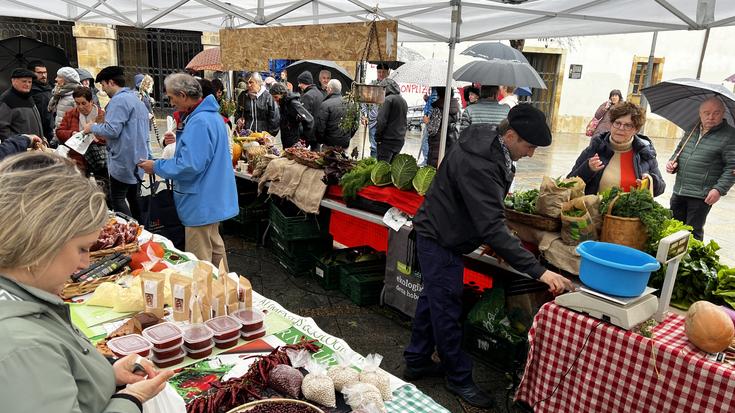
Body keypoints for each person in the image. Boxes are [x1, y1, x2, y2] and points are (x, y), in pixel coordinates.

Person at [404, 105, 574, 409]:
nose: (532, 154)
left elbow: (483, 209)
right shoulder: (481, 162)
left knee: (434, 300)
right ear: (510, 135)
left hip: (442, 231)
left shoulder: (486, 138)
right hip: (440, 238)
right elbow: (491, 223)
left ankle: (417, 360)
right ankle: (459, 378)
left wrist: (486, 232)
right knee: (446, 309)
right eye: (529, 146)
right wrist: (539, 272)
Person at [0, 152, 174, 412]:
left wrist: (105, 374)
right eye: (82, 249)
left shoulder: (22, 302)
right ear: (39, 243)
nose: (85, 264)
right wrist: (131, 400)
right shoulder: (22, 346)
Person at [138, 73, 238, 271]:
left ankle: (206, 299)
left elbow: (189, 165)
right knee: (215, 247)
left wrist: (156, 166)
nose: (171, 102)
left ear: (183, 95)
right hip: (211, 197)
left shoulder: (199, 121)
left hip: (200, 199)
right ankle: (225, 291)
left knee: (200, 257)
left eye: (171, 98)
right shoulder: (212, 117)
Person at [83, 66, 150, 220]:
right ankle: (141, 228)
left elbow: (112, 130)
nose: (103, 89)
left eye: (103, 85)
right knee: (134, 198)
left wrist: (92, 127)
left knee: (117, 198)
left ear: (111, 82)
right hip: (137, 157)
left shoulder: (119, 101)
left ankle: (131, 231)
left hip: (123, 159)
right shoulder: (135, 98)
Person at [665, 97, 735, 240]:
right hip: (679, 190)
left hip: (701, 194)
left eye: (716, 113)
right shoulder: (692, 129)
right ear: (700, 113)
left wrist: (719, 189)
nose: (711, 117)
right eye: (706, 112)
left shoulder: (730, 135)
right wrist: (672, 162)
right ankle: (671, 262)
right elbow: (679, 151)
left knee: (692, 234)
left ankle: (692, 261)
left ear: (723, 113)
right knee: (672, 229)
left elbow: (732, 168)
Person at [568, 101, 664, 196]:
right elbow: (569, 183)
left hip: (629, 211)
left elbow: (660, 188)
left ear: (636, 129)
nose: (621, 128)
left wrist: (651, 181)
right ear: (611, 124)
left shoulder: (645, 152)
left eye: (628, 125)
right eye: (617, 123)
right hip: (595, 210)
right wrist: (588, 168)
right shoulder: (595, 148)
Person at [55, 86, 107, 176]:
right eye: (77, 103)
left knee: (102, 186)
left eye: (84, 103)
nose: (80, 107)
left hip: (98, 159)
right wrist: (72, 134)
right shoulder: (70, 114)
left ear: (91, 101)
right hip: (77, 160)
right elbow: (59, 132)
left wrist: (97, 139)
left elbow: (111, 135)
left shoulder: (102, 115)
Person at [0, 68, 45, 140]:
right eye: (24, 81)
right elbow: (2, 128)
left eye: (30, 82)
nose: (27, 84)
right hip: (20, 149)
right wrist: (19, 143)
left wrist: (42, 137)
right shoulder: (7, 99)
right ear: (13, 81)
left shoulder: (28, 96)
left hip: (34, 146)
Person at [269, 82, 314, 148]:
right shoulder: (283, 103)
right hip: (287, 139)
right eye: (273, 98)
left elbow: (309, 120)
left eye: (276, 97)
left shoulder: (293, 103)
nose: (275, 100)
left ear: (282, 94)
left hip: (295, 140)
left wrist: (304, 140)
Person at [235, 72, 280, 136]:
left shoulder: (268, 97)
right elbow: (238, 112)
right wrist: (238, 119)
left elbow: (275, 119)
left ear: (258, 82)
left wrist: (270, 135)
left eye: (251, 82)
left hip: (263, 136)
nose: (248, 85)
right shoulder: (243, 96)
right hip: (246, 136)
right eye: (247, 83)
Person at [360, 63, 390, 158]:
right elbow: (363, 101)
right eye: (379, 72)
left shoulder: (391, 87)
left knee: (385, 146)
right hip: (373, 121)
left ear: (388, 73)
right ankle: (373, 166)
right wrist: (364, 115)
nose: (381, 74)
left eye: (383, 72)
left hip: (386, 122)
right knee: (373, 146)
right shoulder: (372, 85)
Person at [374, 78, 408, 162]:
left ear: (385, 88)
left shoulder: (388, 100)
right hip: (399, 140)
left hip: (387, 141)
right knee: (392, 168)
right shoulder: (403, 100)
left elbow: (381, 121)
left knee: (382, 169)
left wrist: (377, 137)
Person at [426, 87, 460, 167]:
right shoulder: (456, 108)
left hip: (437, 146)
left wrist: (427, 122)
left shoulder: (437, 109)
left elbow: (432, 130)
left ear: (439, 94)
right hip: (451, 143)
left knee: (434, 171)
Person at [315, 79, 353, 149]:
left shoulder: (325, 104)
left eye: (327, 88)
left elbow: (320, 127)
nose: (326, 90)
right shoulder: (350, 104)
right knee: (343, 159)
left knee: (328, 159)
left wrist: (321, 141)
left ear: (330, 89)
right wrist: (348, 137)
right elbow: (354, 125)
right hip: (344, 143)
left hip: (329, 143)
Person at [48, 67, 81, 132]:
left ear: (67, 80)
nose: (56, 79)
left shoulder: (76, 95)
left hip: (70, 136)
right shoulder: (60, 93)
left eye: (59, 77)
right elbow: (50, 110)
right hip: (60, 133)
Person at [28, 61, 54, 139]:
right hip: (38, 132)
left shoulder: (52, 88)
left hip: (52, 130)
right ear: (32, 73)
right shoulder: (29, 91)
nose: (43, 75)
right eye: (39, 73)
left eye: (45, 72)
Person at [417, 89, 437, 167]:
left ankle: (426, 160)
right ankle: (427, 160)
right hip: (431, 118)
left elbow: (434, 104)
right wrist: (427, 99)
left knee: (425, 140)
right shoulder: (434, 91)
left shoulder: (435, 91)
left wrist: (428, 116)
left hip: (430, 119)